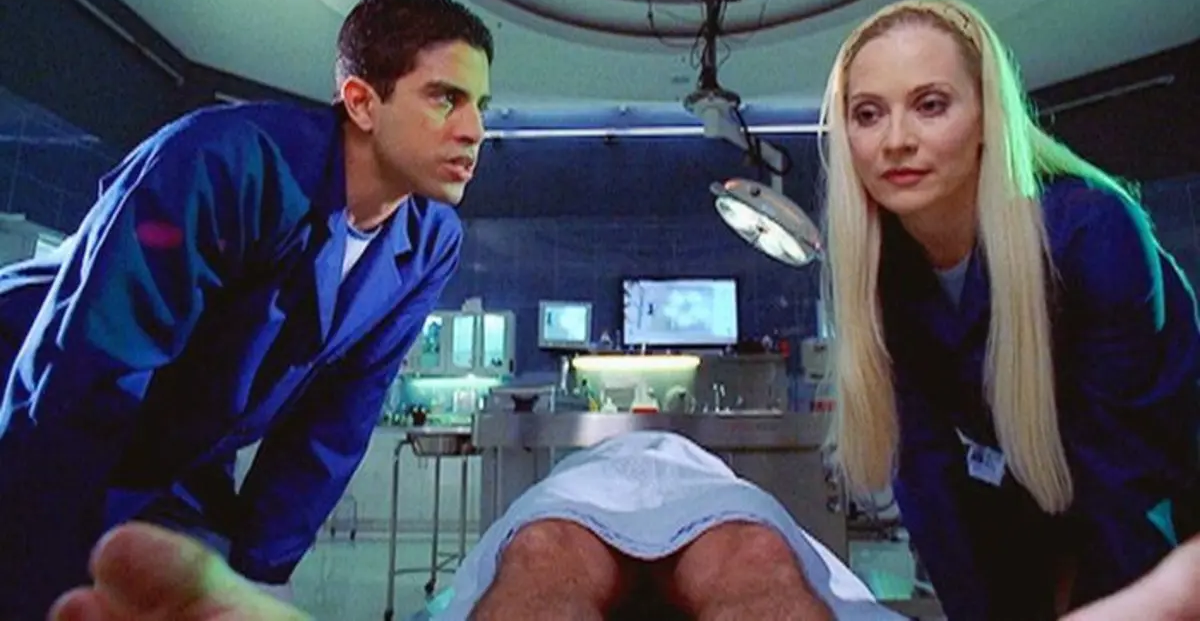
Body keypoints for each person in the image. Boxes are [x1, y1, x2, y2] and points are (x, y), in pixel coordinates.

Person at [0, 0, 492, 619]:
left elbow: (335, 425)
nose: (475, 130)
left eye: (481, 105)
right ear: (362, 103)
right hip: (40, 400)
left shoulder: (430, 241)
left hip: (177, 453)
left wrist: (258, 579)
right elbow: (88, 375)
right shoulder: (227, 162)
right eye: (445, 98)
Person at [819, 0, 1200, 620]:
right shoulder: (883, 271)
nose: (896, 141)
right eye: (868, 114)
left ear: (987, 117)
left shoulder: (1094, 234)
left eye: (930, 105)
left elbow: (1126, 494)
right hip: (1031, 518)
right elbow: (929, 484)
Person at [49, 445, 1200, 620]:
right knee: (547, 559)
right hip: (580, 489)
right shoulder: (580, 480)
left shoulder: (713, 485)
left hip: (710, 491)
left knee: (753, 561)